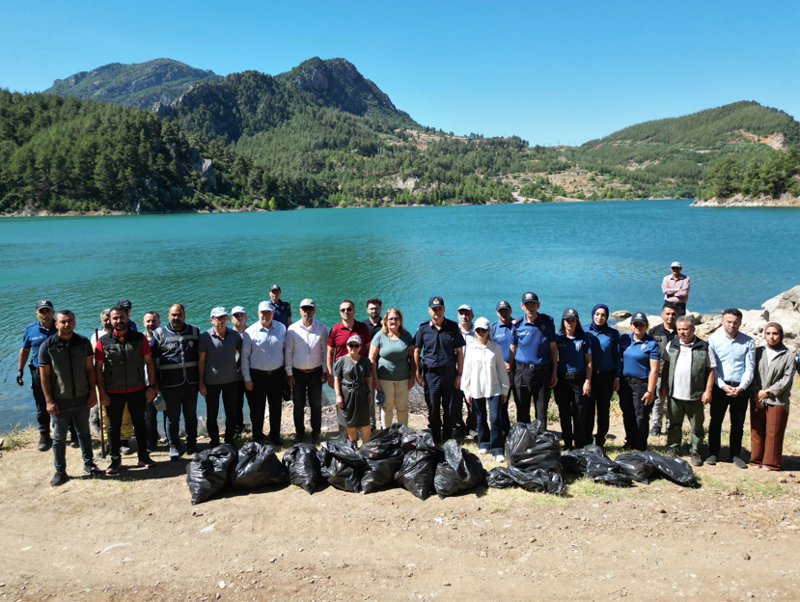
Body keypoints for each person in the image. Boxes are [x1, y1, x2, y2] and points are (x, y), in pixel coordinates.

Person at [38, 310, 102, 485]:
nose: (66, 325)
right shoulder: (47, 346)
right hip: (60, 400)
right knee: (59, 438)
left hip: (82, 397)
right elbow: (44, 377)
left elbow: (90, 369)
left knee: (84, 433)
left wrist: (92, 393)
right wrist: (49, 400)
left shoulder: (83, 343)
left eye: (70, 321)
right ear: (56, 324)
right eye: (63, 322)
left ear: (74, 322)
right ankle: (60, 471)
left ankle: (89, 464)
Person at [95, 305, 158, 474]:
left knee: (140, 423)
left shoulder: (139, 338)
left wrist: (151, 387)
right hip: (112, 392)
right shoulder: (103, 341)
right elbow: (97, 369)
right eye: (115, 318)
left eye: (122, 317)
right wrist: (101, 392)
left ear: (127, 318)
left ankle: (143, 456)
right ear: (110, 320)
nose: (119, 321)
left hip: (137, 389)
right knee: (113, 427)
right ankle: (115, 460)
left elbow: (150, 363)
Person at [659, 315, 715, 466]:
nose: (682, 332)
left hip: (695, 395)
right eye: (679, 329)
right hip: (675, 394)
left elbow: (711, 370)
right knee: (674, 424)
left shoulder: (704, 346)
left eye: (685, 329)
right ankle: (673, 448)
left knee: (696, 427)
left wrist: (708, 391)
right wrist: (663, 386)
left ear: (693, 329)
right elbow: (665, 366)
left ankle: (695, 451)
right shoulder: (672, 344)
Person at [17, 299, 71, 452]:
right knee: (42, 405)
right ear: (37, 314)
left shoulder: (61, 326)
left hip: (60, 373)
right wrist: (20, 371)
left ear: (53, 312)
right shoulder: (30, 330)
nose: (45, 314)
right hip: (39, 374)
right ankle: (45, 436)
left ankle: (74, 434)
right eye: (42, 311)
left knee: (68, 402)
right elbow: (25, 350)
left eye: (48, 311)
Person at [151, 304, 201, 460]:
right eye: (173, 315)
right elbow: (152, 361)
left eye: (179, 315)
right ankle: (173, 445)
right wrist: (155, 383)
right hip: (169, 384)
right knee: (172, 417)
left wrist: (202, 380)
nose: (176, 318)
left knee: (191, 416)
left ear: (184, 315)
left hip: (191, 383)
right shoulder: (159, 334)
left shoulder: (194, 331)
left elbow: (202, 357)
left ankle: (192, 444)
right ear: (168, 315)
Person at [707, 308, 755, 468]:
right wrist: (722, 385)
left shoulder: (748, 341)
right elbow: (713, 367)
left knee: (738, 423)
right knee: (716, 421)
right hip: (720, 387)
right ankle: (713, 452)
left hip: (740, 389)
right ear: (722, 321)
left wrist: (741, 387)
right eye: (729, 321)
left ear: (740, 323)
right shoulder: (713, 340)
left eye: (735, 322)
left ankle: (735, 454)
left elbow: (750, 367)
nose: (732, 325)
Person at [413, 296, 465, 445]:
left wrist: (459, 374)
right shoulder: (423, 328)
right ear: (429, 310)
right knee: (433, 407)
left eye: (440, 308)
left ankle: (448, 438)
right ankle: (436, 438)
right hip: (430, 375)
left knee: (449, 407)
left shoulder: (453, 327)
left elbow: (459, 352)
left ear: (444, 309)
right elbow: (417, 351)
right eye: (434, 309)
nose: (437, 311)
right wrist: (417, 373)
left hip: (449, 373)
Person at [461, 317, 509, 461]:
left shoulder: (495, 348)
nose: (480, 332)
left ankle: (497, 448)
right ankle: (484, 443)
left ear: (489, 331)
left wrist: (505, 389)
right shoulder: (470, 348)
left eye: (483, 330)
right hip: (476, 388)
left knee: (495, 419)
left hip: (494, 388)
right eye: (478, 330)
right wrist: (466, 390)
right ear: (474, 331)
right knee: (480, 418)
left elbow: (501, 369)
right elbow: (466, 371)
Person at [750, 322, 795, 471]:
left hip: (777, 399)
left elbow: (786, 380)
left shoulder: (788, 355)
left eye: (775, 333)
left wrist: (768, 392)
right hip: (757, 396)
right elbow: (752, 373)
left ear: (780, 335)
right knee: (757, 430)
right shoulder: (758, 351)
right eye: (768, 333)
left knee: (773, 432)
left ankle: (770, 463)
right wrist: (757, 393)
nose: (771, 337)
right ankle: (756, 460)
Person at [508, 292, 557, 426]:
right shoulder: (517, 324)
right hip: (521, 373)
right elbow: (513, 348)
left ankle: (540, 443)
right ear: (522, 306)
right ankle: (524, 442)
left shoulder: (547, 322)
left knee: (541, 412)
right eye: (527, 304)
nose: (530, 307)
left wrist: (554, 372)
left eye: (533, 304)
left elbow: (553, 348)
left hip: (543, 373)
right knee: (522, 412)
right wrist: (511, 372)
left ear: (538, 305)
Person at [242, 301, 287, 446]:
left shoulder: (281, 328)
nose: (265, 315)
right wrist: (247, 378)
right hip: (257, 375)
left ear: (273, 313)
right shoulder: (250, 331)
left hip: (277, 374)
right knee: (257, 408)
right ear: (258, 313)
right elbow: (244, 357)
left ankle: (275, 435)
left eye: (268, 312)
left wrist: (287, 373)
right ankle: (257, 437)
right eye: (263, 312)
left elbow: (286, 352)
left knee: (276, 407)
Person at [285, 299, 328, 444]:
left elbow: (324, 351)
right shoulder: (292, 329)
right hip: (297, 373)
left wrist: (325, 371)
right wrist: (289, 373)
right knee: (298, 405)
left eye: (310, 309)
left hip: (316, 373)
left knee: (316, 405)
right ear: (300, 311)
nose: (307, 312)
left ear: (314, 311)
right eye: (304, 309)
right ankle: (300, 433)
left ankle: (316, 432)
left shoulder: (321, 328)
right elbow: (288, 352)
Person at [199, 307, 242, 447]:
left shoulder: (235, 335)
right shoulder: (205, 337)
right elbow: (201, 361)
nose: (221, 321)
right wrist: (201, 382)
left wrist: (237, 367)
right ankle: (214, 441)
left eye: (224, 317)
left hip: (231, 381)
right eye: (218, 318)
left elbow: (242, 353)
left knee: (232, 412)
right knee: (212, 414)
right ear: (212, 320)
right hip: (211, 382)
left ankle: (229, 440)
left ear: (227, 319)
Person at [92, 309, 133, 454]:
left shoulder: (125, 334)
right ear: (102, 321)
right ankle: (108, 443)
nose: (108, 322)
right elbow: (94, 363)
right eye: (105, 320)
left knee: (125, 412)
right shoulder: (96, 337)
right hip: (103, 381)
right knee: (104, 412)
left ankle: (124, 441)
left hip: (122, 380)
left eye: (110, 319)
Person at [619, 312, 660, 451]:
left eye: (641, 324)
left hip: (641, 384)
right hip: (625, 384)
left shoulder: (651, 344)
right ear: (631, 325)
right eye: (635, 324)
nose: (638, 327)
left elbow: (654, 370)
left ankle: (641, 444)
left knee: (641, 416)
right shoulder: (624, 340)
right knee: (627, 414)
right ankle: (629, 441)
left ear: (646, 326)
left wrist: (650, 391)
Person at [369, 307, 415, 427]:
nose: (393, 321)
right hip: (384, 379)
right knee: (386, 407)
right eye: (390, 319)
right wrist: (375, 379)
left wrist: (413, 376)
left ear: (400, 321)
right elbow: (372, 359)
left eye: (396, 319)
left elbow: (412, 357)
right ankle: (386, 435)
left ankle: (403, 435)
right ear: (385, 321)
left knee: (402, 407)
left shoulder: (406, 336)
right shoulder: (380, 336)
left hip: (403, 378)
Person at [554, 309, 593, 450]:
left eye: (573, 320)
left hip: (579, 380)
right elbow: (552, 356)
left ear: (577, 322)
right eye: (567, 320)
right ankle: (568, 444)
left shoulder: (583, 338)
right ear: (563, 322)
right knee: (564, 413)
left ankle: (579, 445)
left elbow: (589, 361)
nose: (570, 323)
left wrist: (587, 381)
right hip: (562, 380)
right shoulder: (558, 338)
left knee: (579, 413)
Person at [585, 304, 620, 449]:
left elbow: (617, 357)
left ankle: (600, 442)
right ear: (593, 314)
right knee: (587, 410)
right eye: (597, 314)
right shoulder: (584, 330)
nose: (600, 317)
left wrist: (617, 378)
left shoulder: (613, 334)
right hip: (588, 377)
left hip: (606, 377)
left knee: (603, 411)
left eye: (603, 315)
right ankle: (587, 441)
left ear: (607, 317)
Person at [334, 334, 373, 444]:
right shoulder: (341, 360)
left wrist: (370, 392)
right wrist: (338, 395)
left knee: (365, 420)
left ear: (360, 347)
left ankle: (366, 445)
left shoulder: (365, 361)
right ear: (347, 346)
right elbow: (337, 379)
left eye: (356, 346)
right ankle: (353, 443)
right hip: (346, 393)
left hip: (361, 392)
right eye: (351, 345)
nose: (353, 348)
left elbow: (368, 378)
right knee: (349, 420)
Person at [649, 304, 678, 437]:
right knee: (659, 400)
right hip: (659, 372)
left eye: (673, 314)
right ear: (662, 314)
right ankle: (657, 424)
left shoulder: (681, 331)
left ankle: (670, 424)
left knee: (674, 400)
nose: (670, 316)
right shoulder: (655, 332)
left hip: (677, 373)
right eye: (667, 313)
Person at [327, 299, 372, 381]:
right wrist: (330, 375)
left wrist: (369, 370)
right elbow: (330, 354)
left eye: (349, 309)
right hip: (341, 371)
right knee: (339, 393)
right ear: (340, 312)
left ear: (354, 311)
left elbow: (369, 350)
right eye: (343, 310)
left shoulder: (363, 327)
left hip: (360, 369)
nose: (346, 312)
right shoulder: (334, 330)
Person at [489, 300, 516, 436]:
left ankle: (523, 432)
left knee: (521, 402)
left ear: (510, 311)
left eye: (506, 310)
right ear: (497, 313)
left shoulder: (518, 325)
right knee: (502, 403)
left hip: (519, 370)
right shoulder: (493, 329)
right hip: (501, 372)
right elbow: (489, 350)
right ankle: (505, 431)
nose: (503, 313)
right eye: (500, 311)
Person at [142, 311, 166, 450]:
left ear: (159, 322)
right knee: (150, 414)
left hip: (165, 381)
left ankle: (171, 439)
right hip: (146, 383)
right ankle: (152, 442)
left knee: (169, 413)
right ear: (143, 323)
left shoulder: (164, 337)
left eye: (154, 321)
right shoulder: (139, 340)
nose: (151, 324)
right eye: (148, 321)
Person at [454, 304, 477, 436]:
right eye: (461, 314)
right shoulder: (453, 331)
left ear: (472, 316)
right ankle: (458, 426)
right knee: (456, 400)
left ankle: (472, 426)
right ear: (458, 316)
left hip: (473, 372)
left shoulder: (478, 332)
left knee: (472, 401)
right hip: (456, 372)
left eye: (467, 314)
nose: (464, 316)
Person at [230, 305, 248, 435]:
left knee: (255, 404)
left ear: (246, 317)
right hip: (235, 376)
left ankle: (257, 430)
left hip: (251, 375)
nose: (239, 318)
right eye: (236, 316)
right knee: (236, 405)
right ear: (231, 319)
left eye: (241, 315)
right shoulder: (228, 335)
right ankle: (237, 429)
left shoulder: (252, 333)